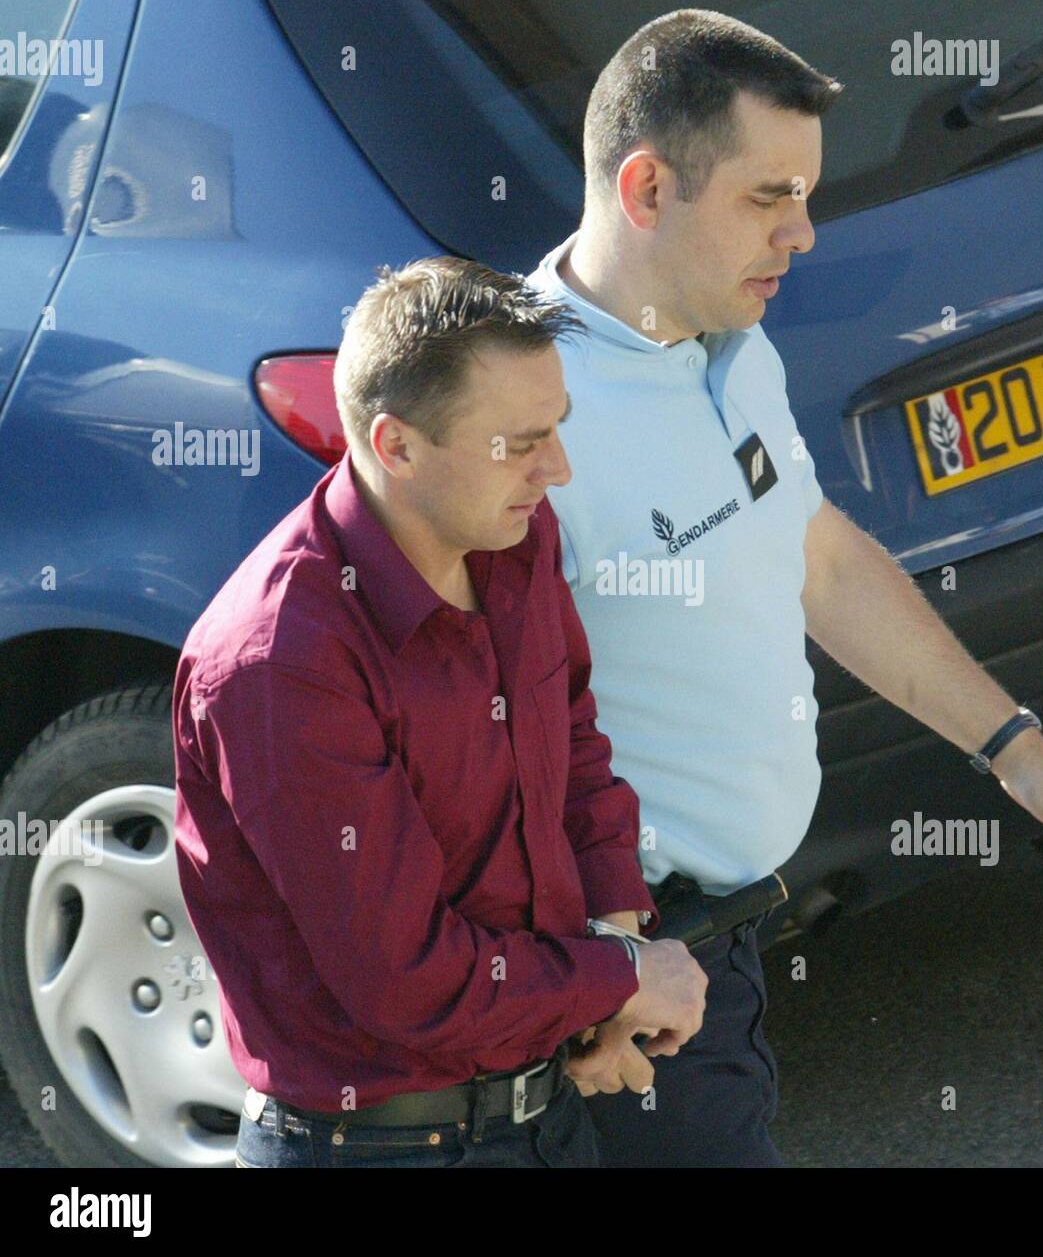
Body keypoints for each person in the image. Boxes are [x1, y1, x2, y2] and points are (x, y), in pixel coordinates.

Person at [529, 10, 1043, 1168]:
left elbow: (813, 558)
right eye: (770, 198)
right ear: (647, 187)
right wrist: (598, 963)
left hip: (717, 945)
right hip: (625, 980)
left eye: (806, 195)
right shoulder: (526, 418)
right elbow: (464, 737)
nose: (804, 234)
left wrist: (1024, 756)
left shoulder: (724, 341)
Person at [172, 256, 707, 1168]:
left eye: (559, 428)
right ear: (396, 445)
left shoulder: (513, 531)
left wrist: (611, 954)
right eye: (522, 440)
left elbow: (574, 750)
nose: (559, 468)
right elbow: (405, 976)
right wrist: (617, 979)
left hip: (552, 1114)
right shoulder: (279, 666)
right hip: (379, 1150)